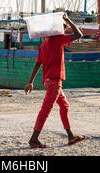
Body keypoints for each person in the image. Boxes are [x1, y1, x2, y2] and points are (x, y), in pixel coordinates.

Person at [25, 15, 85, 148]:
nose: (65, 30)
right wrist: (68, 20)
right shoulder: (58, 39)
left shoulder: (44, 43)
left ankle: (70, 136)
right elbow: (79, 34)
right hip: (54, 81)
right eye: (64, 28)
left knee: (64, 106)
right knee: (45, 109)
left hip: (48, 81)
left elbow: (37, 64)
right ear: (58, 29)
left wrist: (30, 82)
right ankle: (34, 139)